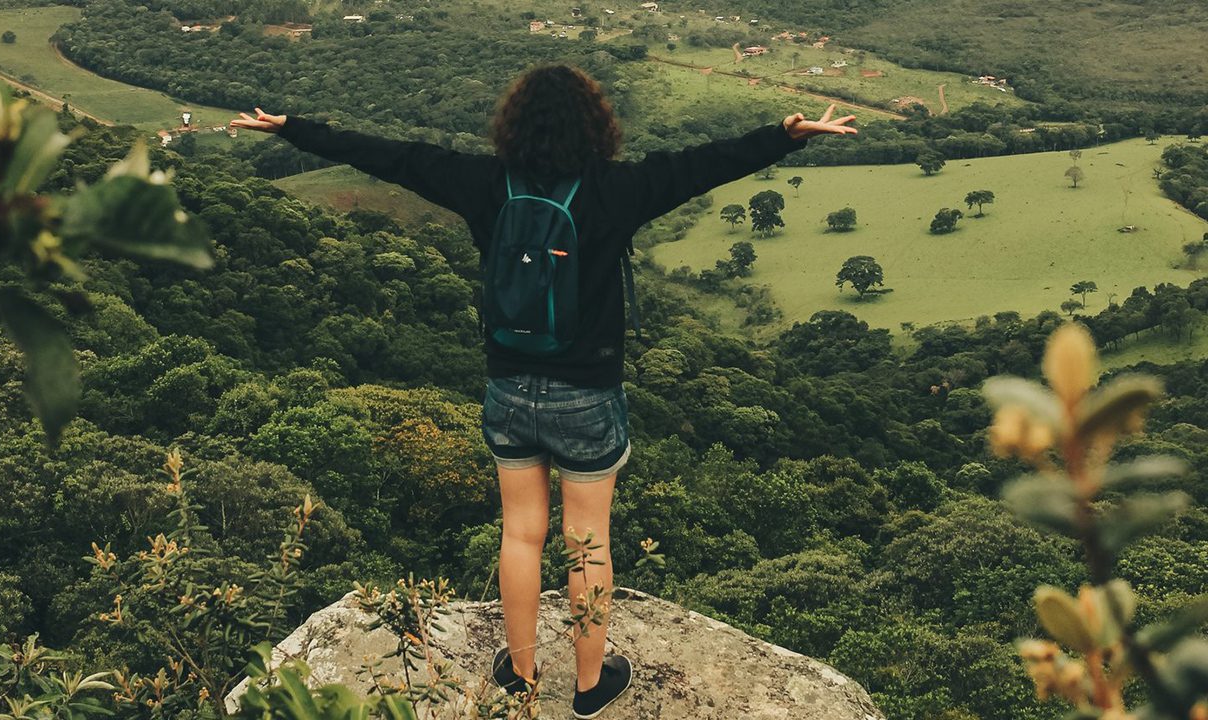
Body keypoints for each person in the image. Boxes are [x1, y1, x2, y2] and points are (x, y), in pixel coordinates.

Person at [231, 64, 855, 719]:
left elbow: (389, 157)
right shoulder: (618, 190)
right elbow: (705, 164)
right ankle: (590, 686)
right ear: (597, 124)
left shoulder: (483, 184)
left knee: (521, 534)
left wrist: (292, 129)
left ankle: (521, 673)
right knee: (587, 542)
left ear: (514, 123)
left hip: (508, 386)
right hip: (586, 394)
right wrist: (785, 135)